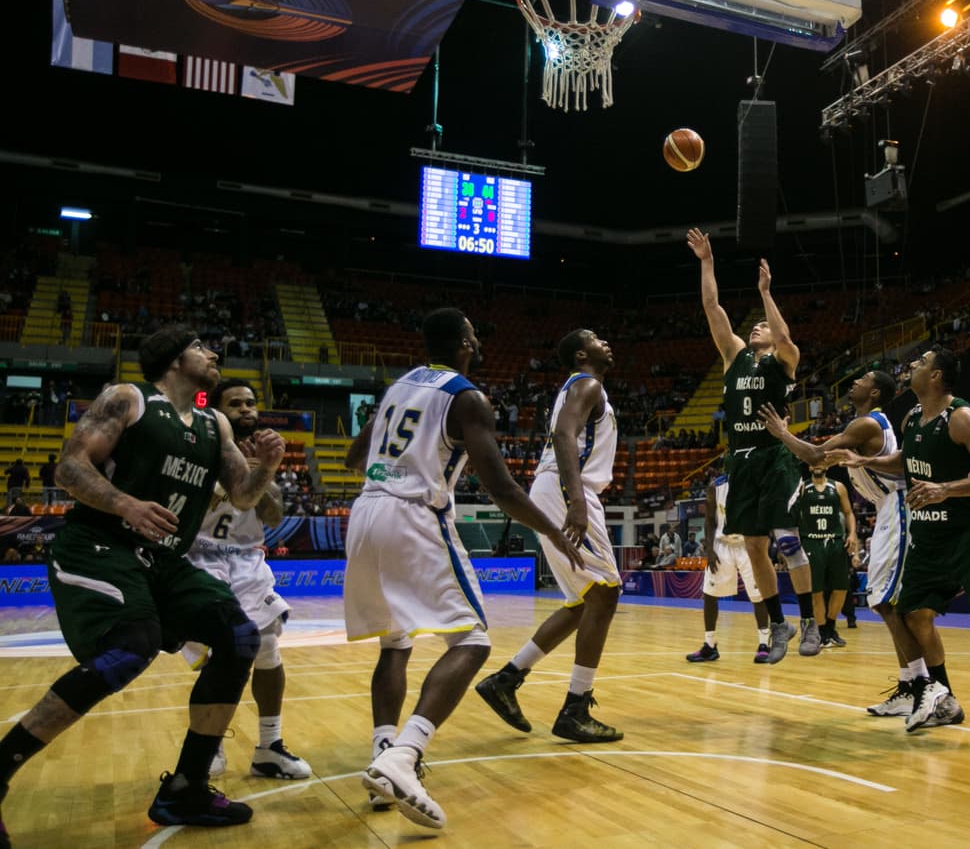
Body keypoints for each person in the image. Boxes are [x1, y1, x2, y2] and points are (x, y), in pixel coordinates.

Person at [0, 326, 286, 841]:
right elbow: (69, 467)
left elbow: (244, 496)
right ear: (174, 359)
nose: (213, 354)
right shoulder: (128, 400)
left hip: (163, 559)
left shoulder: (215, 423)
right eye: (200, 347)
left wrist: (265, 467)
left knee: (239, 636)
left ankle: (187, 788)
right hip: (99, 543)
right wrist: (124, 503)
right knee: (132, 646)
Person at [342, 308, 582, 830]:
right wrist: (554, 532)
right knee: (472, 640)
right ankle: (404, 755)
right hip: (413, 514)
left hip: (365, 512)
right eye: (475, 336)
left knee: (395, 642)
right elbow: (502, 489)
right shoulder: (466, 397)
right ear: (466, 343)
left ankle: (382, 750)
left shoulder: (398, 386)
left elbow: (354, 458)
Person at [834, 348, 970, 747]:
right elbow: (906, 461)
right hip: (931, 534)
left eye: (922, 362)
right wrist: (864, 461)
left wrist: (945, 489)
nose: (912, 365)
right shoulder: (913, 417)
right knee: (914, 614)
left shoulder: (962, 418)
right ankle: (946, 700)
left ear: (936, 376)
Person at [475, 329, 626, 743]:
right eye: (595, 338)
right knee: (606, 592)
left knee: (582, 603)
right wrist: (576, 500)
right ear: (581, 355)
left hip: (554, 487)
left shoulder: (583, 387)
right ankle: (575, 708)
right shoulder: (587, 383)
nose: (605, 341)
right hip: (566, 488)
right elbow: (563, 435)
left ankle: (506, 680)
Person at [762, 370, 939, 720]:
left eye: (864, 379)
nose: (855, 381)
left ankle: (923, 686)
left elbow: (814, 455)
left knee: (888, 603)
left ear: (874, 393)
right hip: (886, 509)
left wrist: (782, 433)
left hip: (897, 507)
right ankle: (909, 686)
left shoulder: (867, 424)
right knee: (887, 604)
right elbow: (822, 457)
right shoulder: (863, 426)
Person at [686, 227, 813, 662]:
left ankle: (810, 622)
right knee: (756, 545)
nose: (757, 327)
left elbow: (785, 338)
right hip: (740, 461)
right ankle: (778, 625)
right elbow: (711, 306)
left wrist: (765, 293)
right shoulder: (734, 356)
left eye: (763, 325)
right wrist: (707, 262)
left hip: (774, 455)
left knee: (787, 540)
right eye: (755, 325)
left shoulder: (783, 361)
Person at [183, 379, 311, 780]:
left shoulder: (261, 455)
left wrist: (263, 470)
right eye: (235, 403)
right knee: (222, 651)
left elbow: (273, 515)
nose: (245, 409)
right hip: (200, 556)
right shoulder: (198, 449)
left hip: (247, 559)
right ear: (216, 411)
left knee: (268, 647)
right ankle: (209, 745)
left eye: (250, 403)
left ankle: (269, 748)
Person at [685, 474, 772, 663]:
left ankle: (764, 644)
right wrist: (709, 550)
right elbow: (710, 520)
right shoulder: (715, 486)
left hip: (748, 542)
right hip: (722, 544)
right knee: (710, 594)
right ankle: (709, 645)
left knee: (758, 595)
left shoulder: (755, 483)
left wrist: (763, 545)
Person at [794, 465, 859, 651]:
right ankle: (821, 632)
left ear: (826, 465)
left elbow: (848, 513)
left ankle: (831, 628)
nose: (817, 466)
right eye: (814, 463)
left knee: (841, 589)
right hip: (811, 542)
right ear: (809, 466)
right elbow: (793, 516)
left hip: (835, 542)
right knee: (816, 591)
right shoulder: (802, 488)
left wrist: (852, 534)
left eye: (820, 462)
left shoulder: (838, 487)